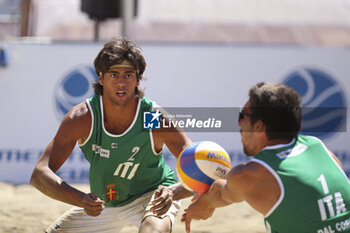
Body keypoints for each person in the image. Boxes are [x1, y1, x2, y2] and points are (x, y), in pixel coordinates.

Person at [30, 36, 193, 233]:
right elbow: (39, 174)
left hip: (151, 196)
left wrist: (173, 191)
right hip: (103, 203)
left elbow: (201, 168)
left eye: (129, 75)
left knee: (153, 230)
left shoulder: (153, 118)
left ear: (138, 79)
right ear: (101, 78)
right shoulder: (83, 118)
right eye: (114, 75)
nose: (121, 83)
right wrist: (81, 199)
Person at [182, 82, 350, 233]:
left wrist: (205, 204)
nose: (239, 123)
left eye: (242, 116)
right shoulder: (320, 148)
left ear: (258, 126)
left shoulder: (252, 174)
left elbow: (220, 193)